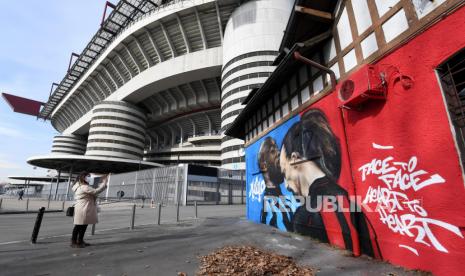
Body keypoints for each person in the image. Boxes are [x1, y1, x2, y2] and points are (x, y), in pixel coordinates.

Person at [258, 137, 293, 231]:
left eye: (278, 149)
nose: (279, 153)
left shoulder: (281, 200)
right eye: (273, 151)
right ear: (263, 165)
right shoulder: (271, 205)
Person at [71, 172, 108, 248]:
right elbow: (95, 191)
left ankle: (79, 241)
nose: (89, 178)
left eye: (89, 176)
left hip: (83, 206)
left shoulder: (79, 185)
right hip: (84, 207)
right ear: (83, 177)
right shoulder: (84, 187)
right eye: (88, 177)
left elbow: (93, 191)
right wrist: (104, 183)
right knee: (79, 226)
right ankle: (75, 242)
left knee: (82, 225)